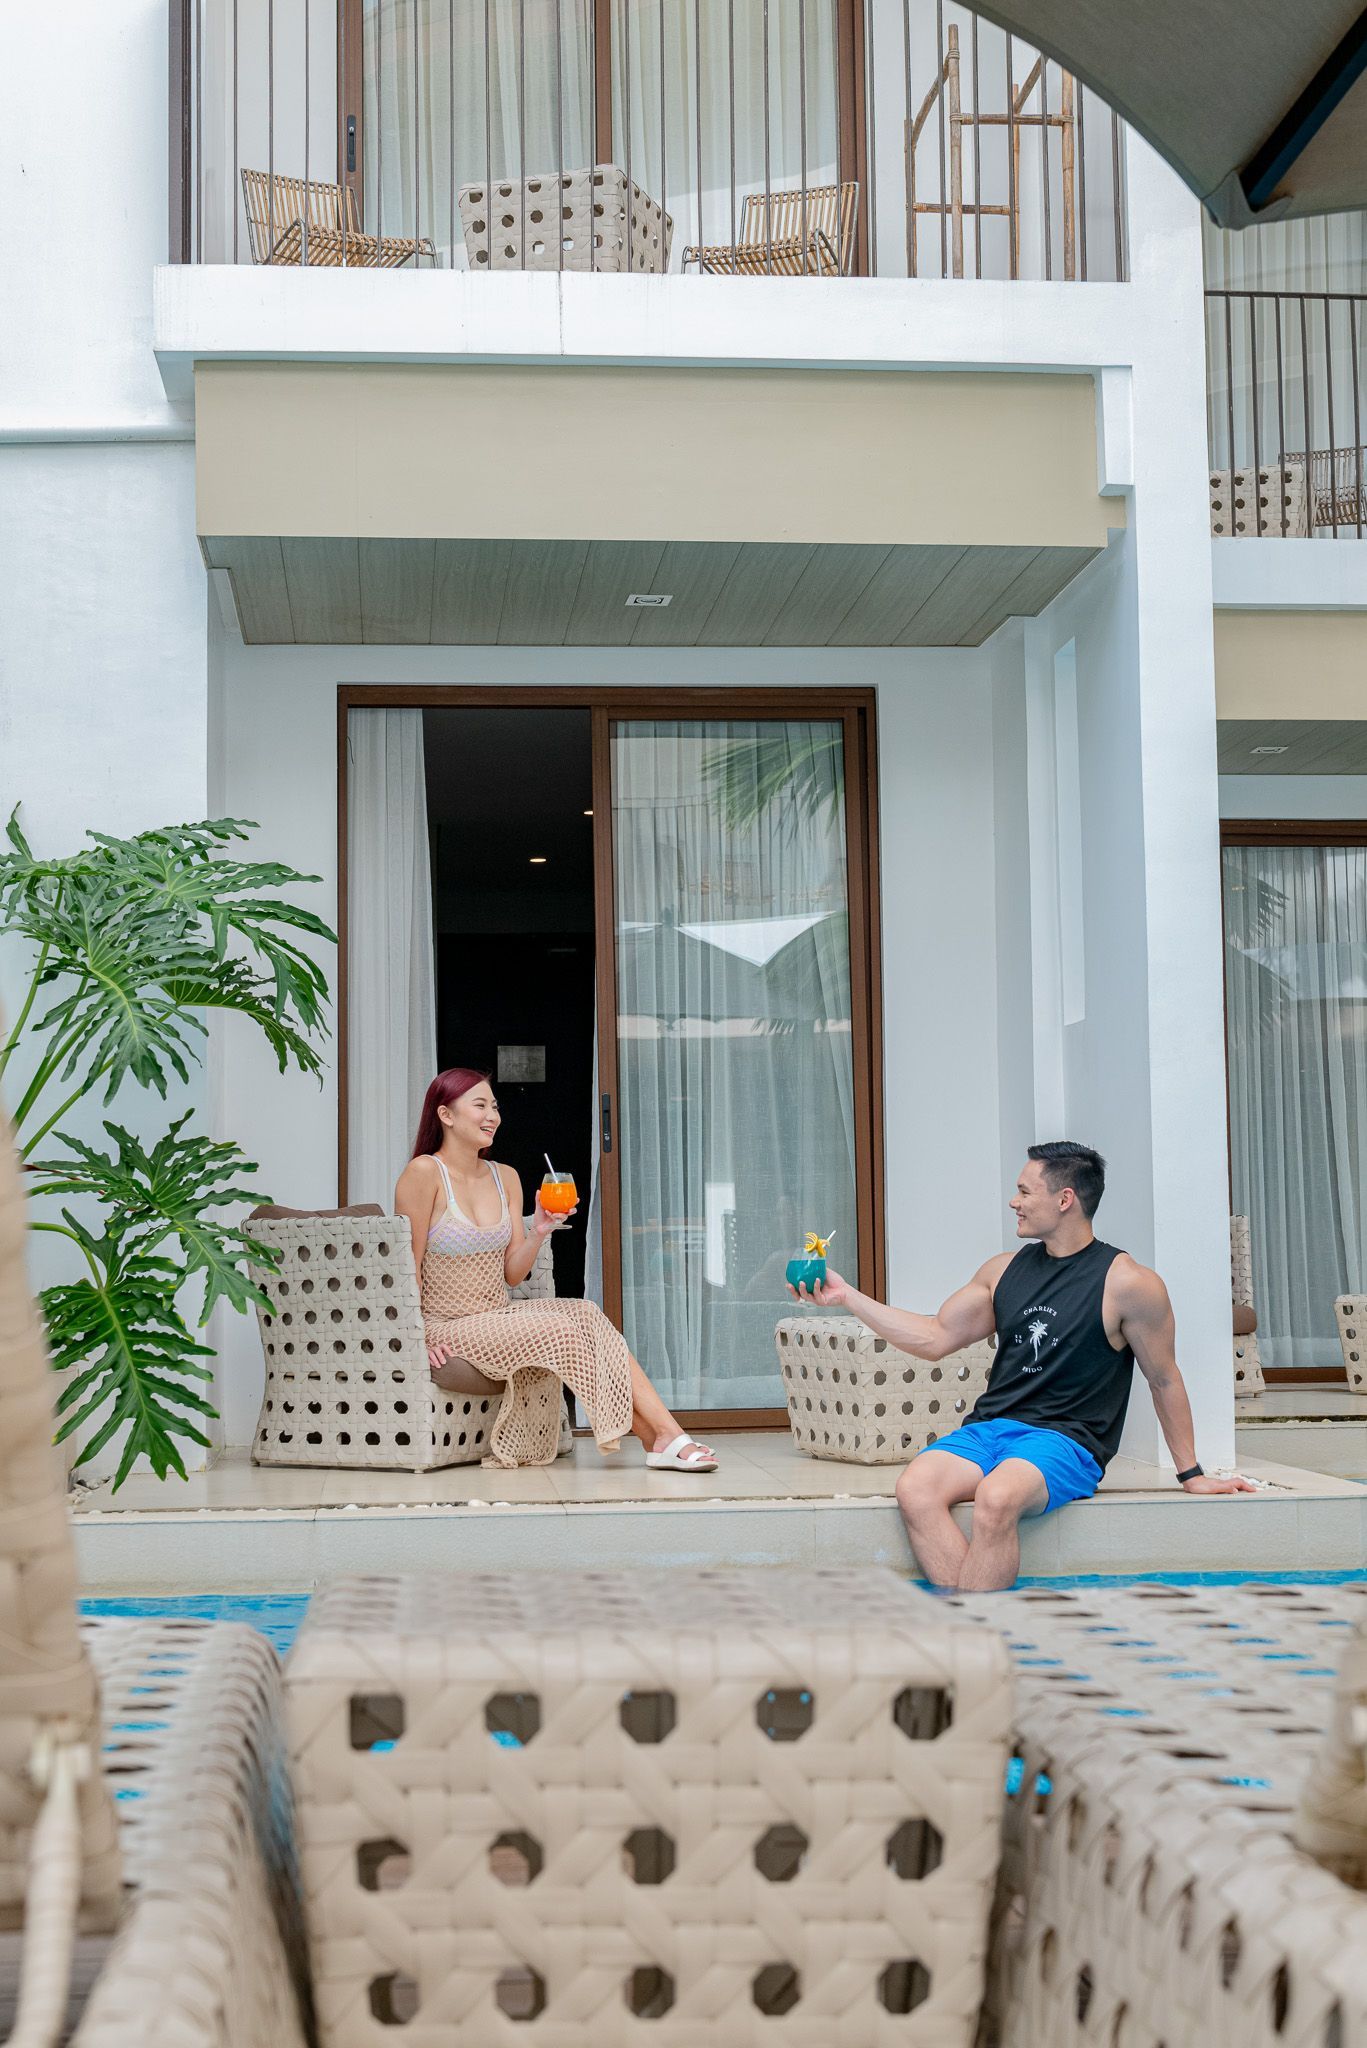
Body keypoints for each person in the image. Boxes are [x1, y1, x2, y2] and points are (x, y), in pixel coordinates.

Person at [791, 1141, 1254, 1590]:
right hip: (990, 1429)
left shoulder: (1130, 1284)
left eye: (1025, 1191)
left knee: (997, 1499)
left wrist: (1191, 1475)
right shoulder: (1002, 1271)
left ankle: (976, 1641)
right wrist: (846, 1296)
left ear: (1065, 1199)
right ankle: (972, 1633)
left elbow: (1164, 1377)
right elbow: (934, 1338)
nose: (1014, 1202)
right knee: (916, 1490)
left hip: (1067, 1441)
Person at [394, 1067, 718, 1473]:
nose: (492, 1115)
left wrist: (539, 1231)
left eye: (494, 1106)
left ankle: (666, 1435)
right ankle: (662, 1440)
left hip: (497, 1316)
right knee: (559, 1330)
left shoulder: (505, 1177)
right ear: (446, 1114)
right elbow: (404, 1270)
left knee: (586, 1312)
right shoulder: (423, 1174)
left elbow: (512, 1275)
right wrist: (415, 1337)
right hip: (446, 1325)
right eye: (480, 1105)